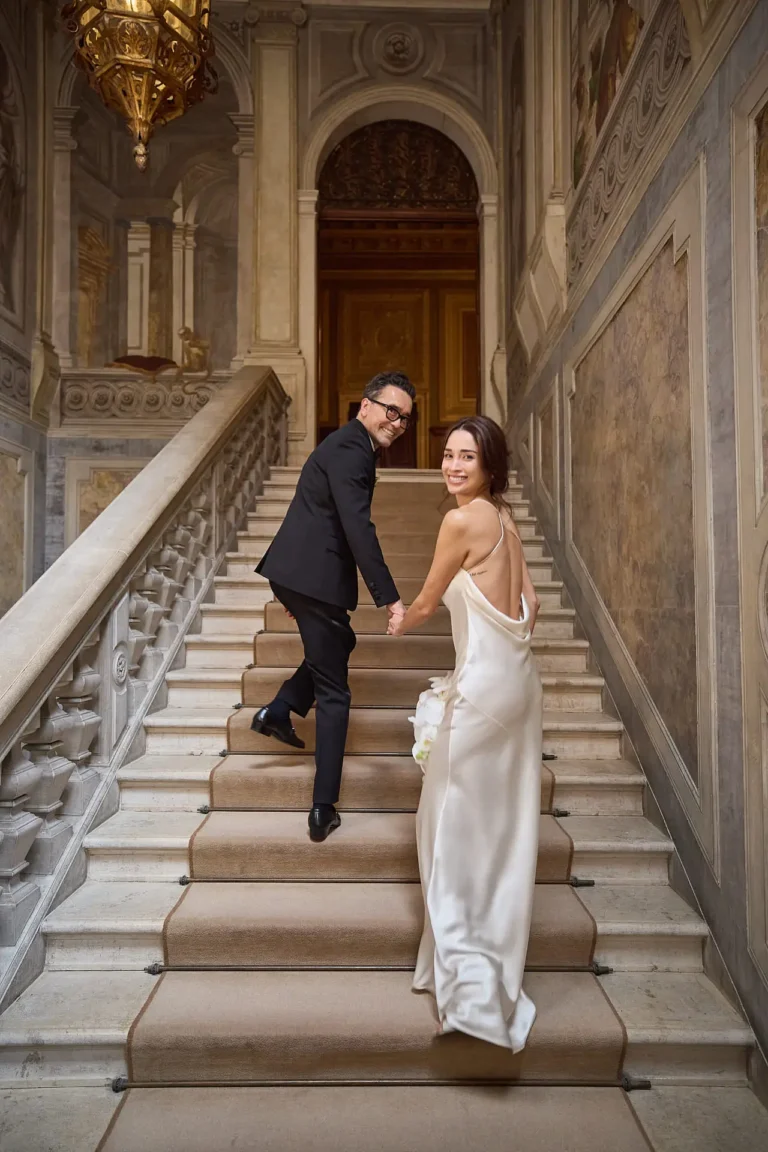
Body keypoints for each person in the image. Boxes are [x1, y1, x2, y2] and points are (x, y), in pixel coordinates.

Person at [388, 414, 543, 1051]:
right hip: (517, 682)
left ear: (488, 466)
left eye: (466, 458)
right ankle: (466, 961)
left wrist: (402, 617)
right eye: (448, 454)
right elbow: (530, 602)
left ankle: (473, 998)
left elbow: (426, 599)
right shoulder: (504, 518)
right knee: (497, 825)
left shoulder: (461, 520)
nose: (453, 466)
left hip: (482, 689)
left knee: (448, 823)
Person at [252, 371, 414, 842]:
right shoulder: (349, 449)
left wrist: (296, 589)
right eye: (391, 410)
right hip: (310, 576)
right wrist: (390, 597)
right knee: (335, 693)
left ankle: (279, 711)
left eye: (405, 417)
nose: (398, 422)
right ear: (365, 405)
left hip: (304, 575)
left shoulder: (352, 447)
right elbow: (356, 528)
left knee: (341, 638)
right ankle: (324, 808)